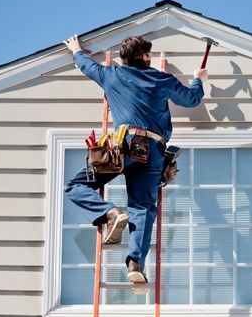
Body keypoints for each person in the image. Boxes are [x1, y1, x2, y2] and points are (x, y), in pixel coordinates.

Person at [63, 34, 208, 284]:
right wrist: (198, 80)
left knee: (75, 186)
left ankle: (110, 214)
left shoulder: (111, 75)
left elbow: (87, 66)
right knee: (142, 207)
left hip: (124, 145)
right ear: (144, 56)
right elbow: (191, 99)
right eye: (148, 54)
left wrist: (76, 50)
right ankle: (135, 264)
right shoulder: (161, 79)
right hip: (152, 149)